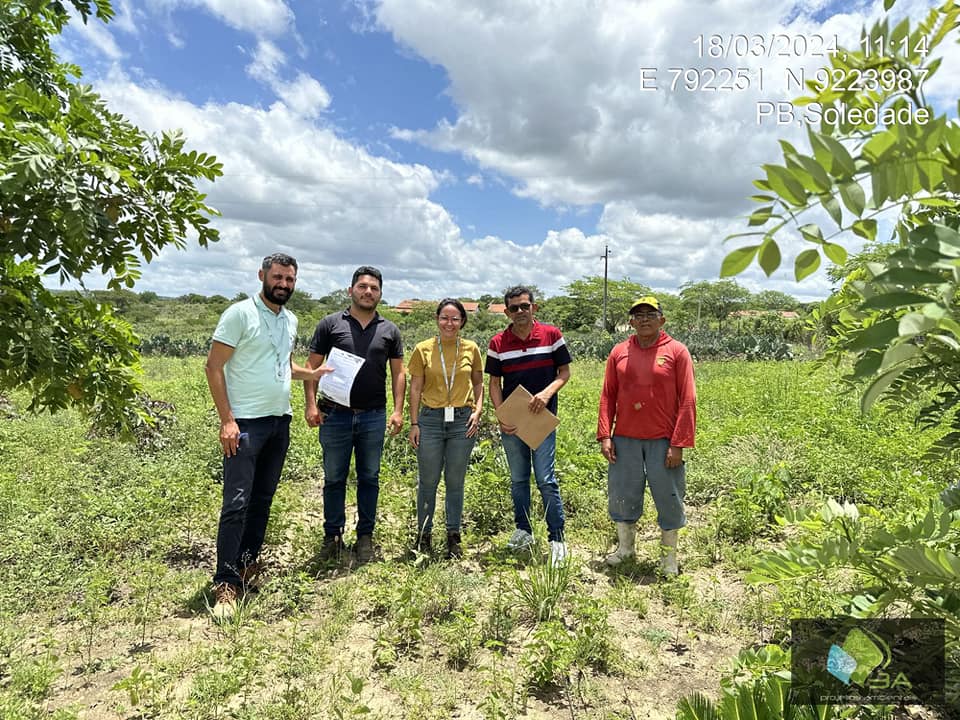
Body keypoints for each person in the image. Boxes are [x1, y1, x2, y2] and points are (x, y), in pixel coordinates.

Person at [205, 253, 334, 619]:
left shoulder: (289, 319)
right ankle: (225, 584)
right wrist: (227, 420)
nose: (284, 284)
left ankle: (246, 566)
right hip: (245, 424)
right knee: (236, 503)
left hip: (280, 422)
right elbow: (214, 367)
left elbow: (282, 366)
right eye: (278, 277)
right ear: (262, 275)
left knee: (262, 500)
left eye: (290, 279)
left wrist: (312, 374)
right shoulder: (239, 314)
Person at [304, 266, 405, 565]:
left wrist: (398, 410)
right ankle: (332, 537)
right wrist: (310, 404)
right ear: (350, 290)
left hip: (373, 415)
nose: (368, 292)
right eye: (362, 286)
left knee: (369, 478)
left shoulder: (389, 330)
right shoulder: (330, 324)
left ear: (380, 293)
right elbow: (311, 368)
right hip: (334, 415)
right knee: (334, 477)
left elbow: (398, 374)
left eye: (374, 288)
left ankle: (365, 537)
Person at [597, 296, 696, 576]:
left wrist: (679, 443)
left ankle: (668, 559)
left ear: (662, 320)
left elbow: (688, 399)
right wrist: (606, 434)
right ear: (630, 322)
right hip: (625, 437)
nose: (644, 319)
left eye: (650, 314)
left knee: (668, 496)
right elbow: (608, 395)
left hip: (663, 439)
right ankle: (626, 549)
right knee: (622, 493)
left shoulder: (677, 351)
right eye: (638, 315)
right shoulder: (619, 351)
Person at [486, 286, 572, 565]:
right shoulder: (497, 343)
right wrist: (501, 415)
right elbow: (494, 384)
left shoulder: (551, 336)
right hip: (512, 421)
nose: (520, 312)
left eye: (525, 306)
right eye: (514, 308)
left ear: (534, 307)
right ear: (507, 312)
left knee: (546, 479)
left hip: (541, 420)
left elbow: (564, 372)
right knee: (518, 479)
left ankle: (556, 538)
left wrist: (547, 394)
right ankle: (523, 530)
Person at [407, 299, 484, 559]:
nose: (449, 323)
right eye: (444, 318)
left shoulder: (471, 349)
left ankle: (453, 535)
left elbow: (479, 383)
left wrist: (478, 410)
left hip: (462, 419)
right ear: (437, 319)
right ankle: (424, 535)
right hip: (429, 419)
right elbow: (415, 388)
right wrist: (414, 423)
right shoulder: (423, 349)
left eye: (455, 318)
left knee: (455, 481)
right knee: (427, 481)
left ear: (462, 321)